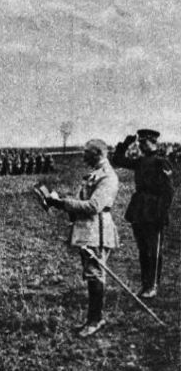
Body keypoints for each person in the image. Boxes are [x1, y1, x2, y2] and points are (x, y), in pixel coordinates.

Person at [46, 139, 119, 337]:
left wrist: (63, 203)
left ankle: (95, 321)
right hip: (89, 230)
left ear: (96, 153)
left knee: (95, 275)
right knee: (91, 274)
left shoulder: (107, 177)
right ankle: (93, 318)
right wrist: (61, 202)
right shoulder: (96, 173)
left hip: (97, 231)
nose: (82, 156)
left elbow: (93, 206)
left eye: (85, 152)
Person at [111, 129, 174, 298]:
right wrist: (125, 143)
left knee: (154, 250)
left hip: (154, 210)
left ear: (154, 142)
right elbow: (117, 160)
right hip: (139, 209)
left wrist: (161, 213)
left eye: (144, 142)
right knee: (143, 249)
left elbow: (168, 192)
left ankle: (152, 285)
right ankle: (145, 284)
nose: (141, 145)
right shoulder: (140, 161)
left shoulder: (162, 162)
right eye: (140, 142)